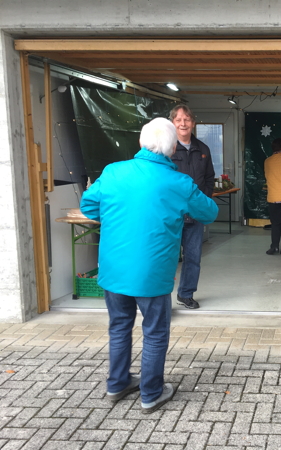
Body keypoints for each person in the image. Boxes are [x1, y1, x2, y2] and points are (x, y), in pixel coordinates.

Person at [80, 118, 218, 414]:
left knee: (119, 327)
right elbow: (209, 212)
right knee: (154, 332)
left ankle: (117, 384)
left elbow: (88, 206)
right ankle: (151, 393)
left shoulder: (113, 172)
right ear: (170, 148)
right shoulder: (178, 182)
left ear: (141, 143)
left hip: (114, 271)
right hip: (152, 275)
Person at [169, 105, 216, 309]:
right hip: (170, 215)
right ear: (172, 123)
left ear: (193, 123)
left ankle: (186, 294)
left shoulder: (202, 150)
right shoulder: (166, 149)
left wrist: (203, 202)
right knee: (166, 257)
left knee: (193, 258)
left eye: (187, 119)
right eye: (178, 120)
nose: (183, 123)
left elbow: (209, 179)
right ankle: (160, 297)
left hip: (194, 215)